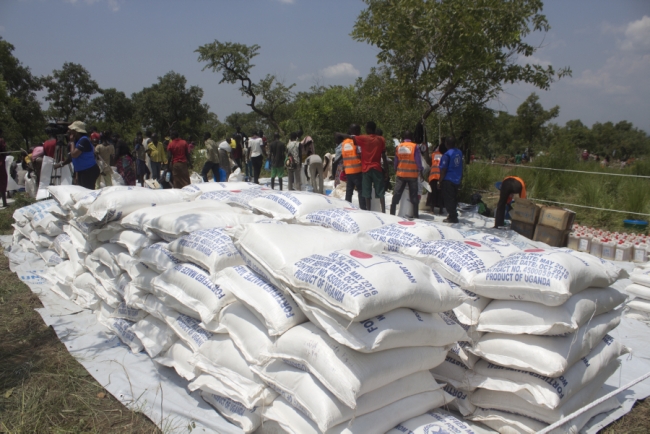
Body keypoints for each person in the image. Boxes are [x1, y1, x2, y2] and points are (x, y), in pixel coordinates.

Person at [345, 121, 389, 212]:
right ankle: (383, 211)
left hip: (366, 169)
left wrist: (339, 134)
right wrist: (387, 171)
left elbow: (351, 137)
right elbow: (384, 156)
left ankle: (368, 211)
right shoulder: (381, 139)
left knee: (366, 193)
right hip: (377, 168)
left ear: (369, 129)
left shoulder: (364, 138)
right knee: (380, 192)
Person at [54, 121, 100, 190]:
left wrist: (72, 142)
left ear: (76, 131)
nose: (69, 132)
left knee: (87, 192)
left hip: (89, 170)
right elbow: (71, 158)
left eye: (72, 130)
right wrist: (61, 164)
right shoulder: (77, 141)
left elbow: (74, 155)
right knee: (82, 191)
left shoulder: (84, 140)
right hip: (82, 171)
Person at [390, 131, 421, 218]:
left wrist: (395, 169)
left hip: (401, 174)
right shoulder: (415, 146)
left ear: (404, 137)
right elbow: (418, 160)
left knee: (397, 193)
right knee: (414, 195)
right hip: (412, 175)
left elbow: (396, 161)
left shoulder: (399, 147)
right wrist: (420, 170)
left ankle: (392, 213)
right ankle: (415, 215)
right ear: (411, 137)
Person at [340, 125, 366, 210]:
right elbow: (361, 154)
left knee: (349, 191)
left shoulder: (344, 142)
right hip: (357, 170)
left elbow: (343, 155)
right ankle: (363, 209)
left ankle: (348, 209)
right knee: (361, 191)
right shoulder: (357, 141)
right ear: (357, 130)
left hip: (348, 171)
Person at [438, 136, 463, 223]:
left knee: (448, 199)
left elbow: (443, 169)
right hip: (457, 178)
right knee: (454, 198)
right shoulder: (459, 152)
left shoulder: (447, 154)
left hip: (448, 179)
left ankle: (453, 217)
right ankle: (452, 214)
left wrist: (440, 180)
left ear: (446, 144)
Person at [428, 142, 445, 215]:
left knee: (432, 193)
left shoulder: (433, 154)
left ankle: (432, 209)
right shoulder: (445, 155)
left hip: (433, 176)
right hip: (441, 177)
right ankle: (441, 210)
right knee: (441, 193)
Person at [0, 129, 7, 207]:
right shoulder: (1, 140)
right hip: (0, 163)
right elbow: (4, 150)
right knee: (2, 181)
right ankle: (4, 203)